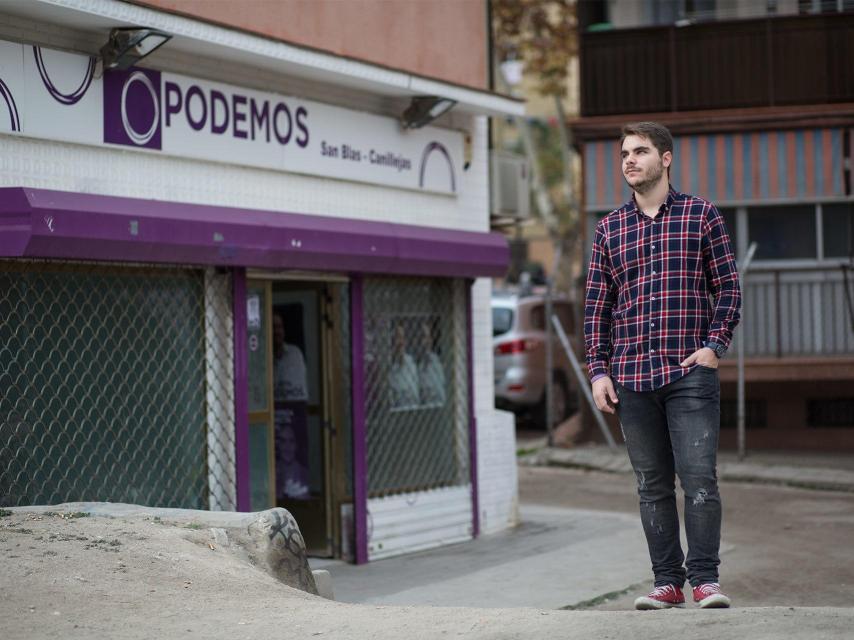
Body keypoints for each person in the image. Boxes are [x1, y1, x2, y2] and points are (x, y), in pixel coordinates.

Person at [584, 122, 741, 610]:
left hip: (689, 371)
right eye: (624, 153)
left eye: (640, 151)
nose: (629, 160)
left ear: (666, 159)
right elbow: (596, 307)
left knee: (699, 480)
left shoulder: (701, 216)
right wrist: (599, 370)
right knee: (652, 486)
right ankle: (667, 584)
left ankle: (705, 582)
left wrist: (714, 345)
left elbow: (729, 289)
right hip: (630, 378)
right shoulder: (610, 228)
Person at [389, 320, 419, 407]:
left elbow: (415, 397)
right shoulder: (387, 365)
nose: (401, 342)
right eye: (397, 337)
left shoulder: (411, 364)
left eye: (402, 338)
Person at [417, 320, 446, 406]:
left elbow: (440, 393)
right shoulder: (415, 364)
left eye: (427, 337)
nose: (425, 341)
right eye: (422, 337)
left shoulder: (437, 363)